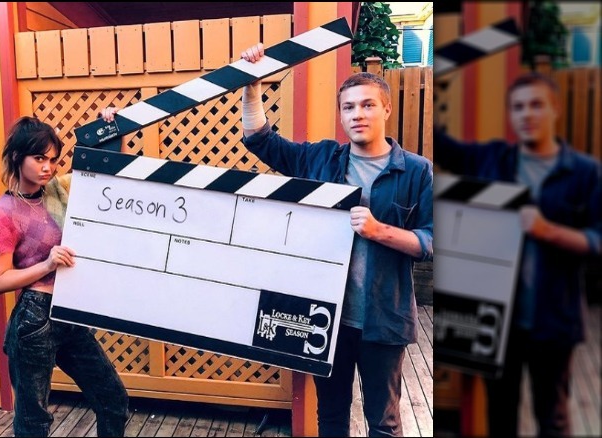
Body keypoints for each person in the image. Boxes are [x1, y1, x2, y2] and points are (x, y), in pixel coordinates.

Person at [238, 43, 433, 437]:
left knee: (384, 422)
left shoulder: (416, 170)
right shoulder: (320, 160)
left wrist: (380, 231)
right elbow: (260, 140)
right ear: (341, 114)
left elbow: (430, 241)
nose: (358, 114)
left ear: (386, 110)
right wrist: (251, 84)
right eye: (349, 107)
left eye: (367, 105)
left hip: (385, 319)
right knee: (330, 417)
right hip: (326, 317)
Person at [435, 72, 601, 437]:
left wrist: (549, 231)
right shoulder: (493, 160)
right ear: (511, 115)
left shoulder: (585, 173)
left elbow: (597, 239)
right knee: (500, 414)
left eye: (537, 105)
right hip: (496, 320)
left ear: (555, 109)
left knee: (553, 416)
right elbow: (441, 145)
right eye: (519, 107)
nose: (528, 114)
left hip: (554, 319)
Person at [0, 116, 129, 437]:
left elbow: (103, 169)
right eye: (39, 158)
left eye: (53, 159)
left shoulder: (59, 189)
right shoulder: (3, 212)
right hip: (34, 321)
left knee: (113, 400)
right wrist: (47, 265)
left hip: (70, 313)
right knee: (34, 421)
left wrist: (112, 125)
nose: (47, 167)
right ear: (16, 157)